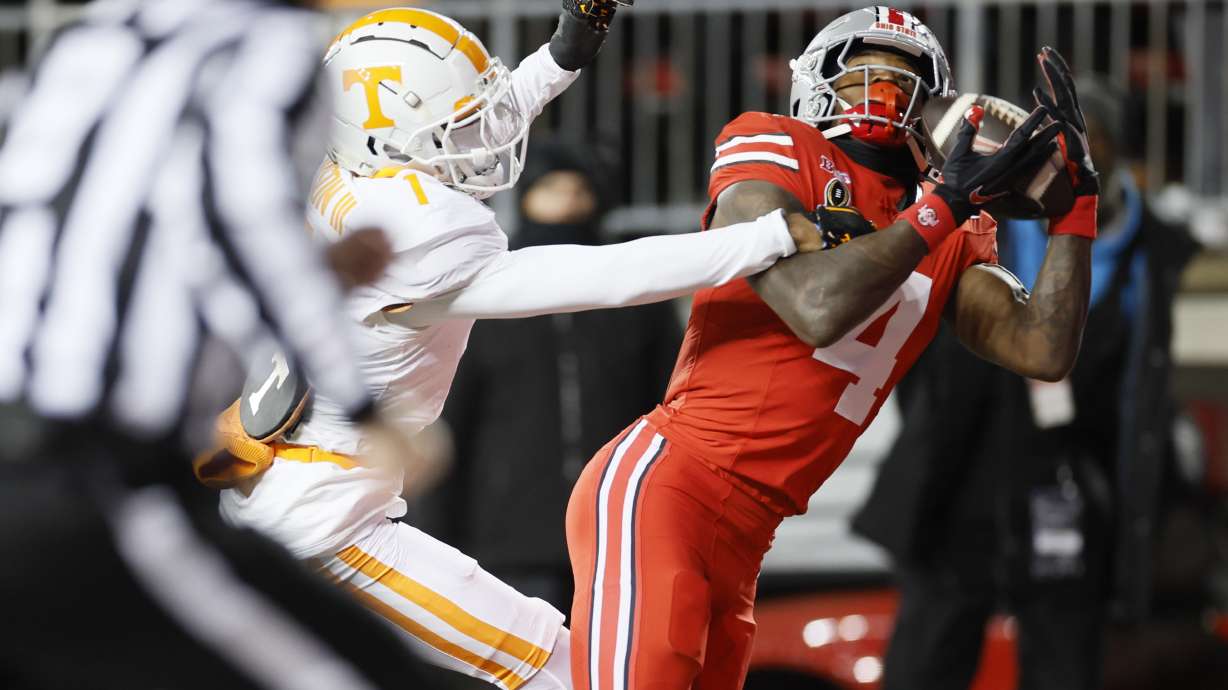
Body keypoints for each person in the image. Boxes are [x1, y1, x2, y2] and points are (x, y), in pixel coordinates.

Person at [204, 5, 825, 690]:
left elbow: (465, 122)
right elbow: (603, 276)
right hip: (329, 523)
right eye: (454, 126)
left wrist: (560, 57)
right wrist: (758, 239)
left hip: (291, 489)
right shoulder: (415, 232)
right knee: (558, 667)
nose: (477, 136)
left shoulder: (343, 174)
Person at [564, 8, 1101, 690]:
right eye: (861, 79)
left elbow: (1043, 349)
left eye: (904, 82)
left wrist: (1074, 215)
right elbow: (814, 307)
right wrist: (941, 205)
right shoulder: (774, 145)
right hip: (671, 485)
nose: (882, 95)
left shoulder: (956, 227)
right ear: (818, 84)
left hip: (752, 529)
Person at [0, 1, 437, 688]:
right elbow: (240, 214)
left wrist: (315, 269)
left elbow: (101, 231)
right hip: (93, 481)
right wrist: (362, 408)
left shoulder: (88, 37)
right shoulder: (267, 44)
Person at [852, 77, 1203, 690]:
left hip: (1070, 486)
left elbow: (1142, 397)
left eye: (1084, 142)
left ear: (1115, 149)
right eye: (1052, 142)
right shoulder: (980, 209)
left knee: (1064, 666)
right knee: (925, 661)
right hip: (963, 476)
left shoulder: (1156, 250)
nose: (1063, 156)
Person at [425, 139, 684, 614]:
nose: (565, 204)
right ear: (525, 199)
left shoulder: (633, 294)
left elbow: (671, 405)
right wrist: (438, 534)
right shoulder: (488, 295)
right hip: (508, 537)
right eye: (551, 190)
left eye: (578, 191)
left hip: (618, 527)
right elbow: (450, 416)